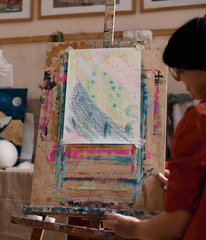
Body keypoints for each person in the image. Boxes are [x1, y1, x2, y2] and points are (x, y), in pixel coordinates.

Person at [106, 16, 206, 240]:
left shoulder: (198, 119)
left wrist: (133, 228)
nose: (179, 80)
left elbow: (173, 227)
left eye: (179, 70)